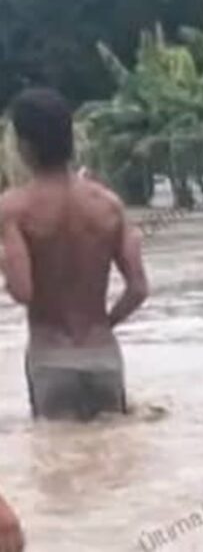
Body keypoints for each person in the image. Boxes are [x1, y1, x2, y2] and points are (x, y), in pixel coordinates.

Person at [0, 88, 149, 421]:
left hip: (51, 359)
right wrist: (104, 324)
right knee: (111, 461)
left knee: (58, 463)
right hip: (103, 358)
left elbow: (23, 291)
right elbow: (138, 289)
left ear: (25, 146)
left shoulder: (14, 207)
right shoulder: (108, 204)